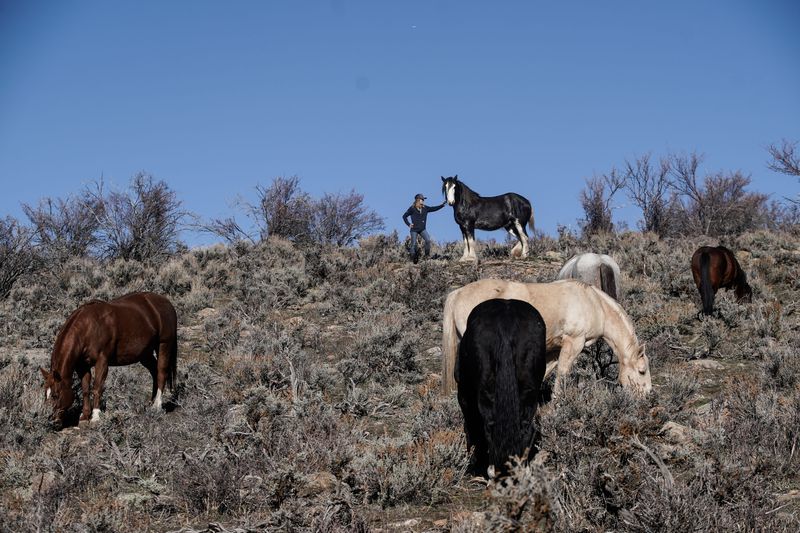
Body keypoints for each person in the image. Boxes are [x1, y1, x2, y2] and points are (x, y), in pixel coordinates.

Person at [402, 193, 446, 262]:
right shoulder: (412, 208)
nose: (423, 201)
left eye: (423, 199)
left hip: (422, 229)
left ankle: (426, 256)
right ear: (417, 200)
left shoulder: (425, 208)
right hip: (414, 230)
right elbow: (404, 216)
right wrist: (408, 224)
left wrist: (442, 205)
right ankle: (413, 260)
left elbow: (433, 208)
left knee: (428, 240)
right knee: (413, 244)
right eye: (422, 199)